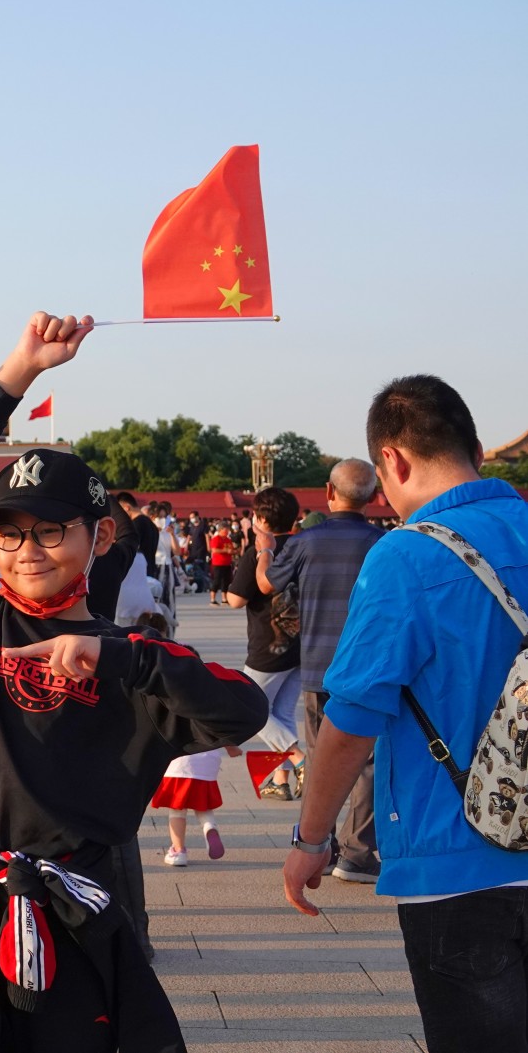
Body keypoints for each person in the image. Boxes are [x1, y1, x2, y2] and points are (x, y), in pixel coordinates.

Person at [0, 311, 267, 1053]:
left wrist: (119, 659)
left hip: (75, 913)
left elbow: (244, 710)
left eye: (51, 530)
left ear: (100, 536)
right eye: (9, 531)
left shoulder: (131, 657)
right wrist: (19, 371)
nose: (26, 549)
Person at [281, 376, 528, 1053]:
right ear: (478, 451)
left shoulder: (406, 555)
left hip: (458, 861)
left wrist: (312, 839)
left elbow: (352, 722)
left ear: (390, 459)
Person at [256, 458, 385, 883]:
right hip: (368, 667)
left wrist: (264, 549)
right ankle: (358, 853)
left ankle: (318, 846)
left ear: (329, 493)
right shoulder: (383, 543)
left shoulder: (306, 542)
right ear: (373, 497)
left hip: (318, 666)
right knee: (368, 761)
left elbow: (268, 584)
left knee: (318, 755)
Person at [226, 487, 305, 800]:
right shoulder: (303, 548)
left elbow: (235, 599)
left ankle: (300, 759)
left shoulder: (258, 552)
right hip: (300, 645)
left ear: (260, 519)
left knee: (248, 708)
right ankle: (281, 780)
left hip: (268, 647)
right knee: (282, 714)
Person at [151, 744, 238, 866]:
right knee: (203, 805)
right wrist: (231, 747)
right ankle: (209, 826)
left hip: (179, 762)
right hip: (207, 763)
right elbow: (222, 733)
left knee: (177, 810)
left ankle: (178, 852)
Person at [208, 521, 236, 605]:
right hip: (218, 563)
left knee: (226, 581)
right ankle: (212, 599)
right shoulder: (216, 539)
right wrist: (225, 551)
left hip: (227, 563)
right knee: (217, 580)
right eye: (225, 530)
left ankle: (224, 599)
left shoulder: (228, 540)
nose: (227, 531)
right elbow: (214, 550)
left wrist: (233, 551)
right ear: (220, 530)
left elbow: (231, 549)